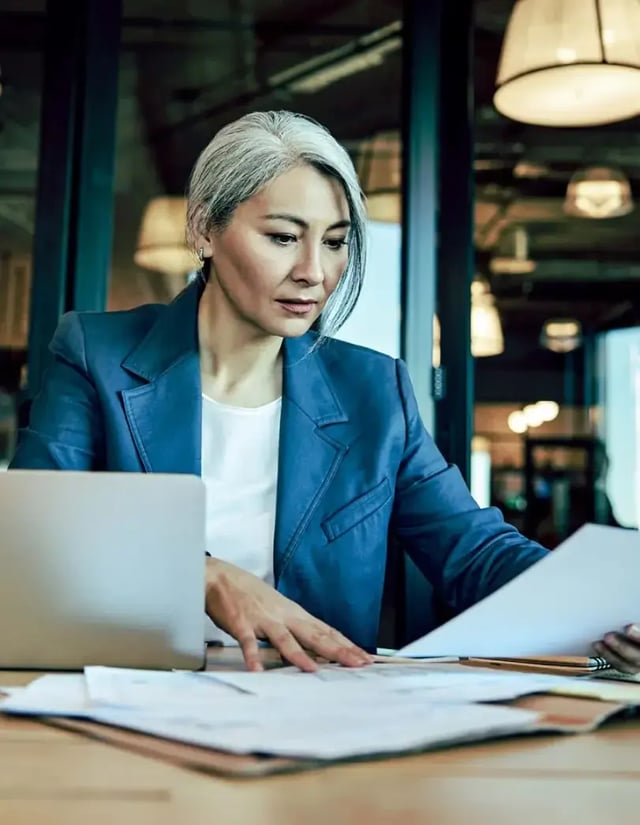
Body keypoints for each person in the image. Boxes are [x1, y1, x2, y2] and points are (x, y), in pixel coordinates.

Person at [10, 110, 640, 674]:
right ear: (204, 229)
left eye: (335, 242)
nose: (314, 271)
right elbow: (35, 535)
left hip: (310, 711)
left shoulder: (373, 391)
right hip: (122, 701)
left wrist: (610, 611)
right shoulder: (98, 355)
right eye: (283, 237)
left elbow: (473, 551)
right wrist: (198, 574)